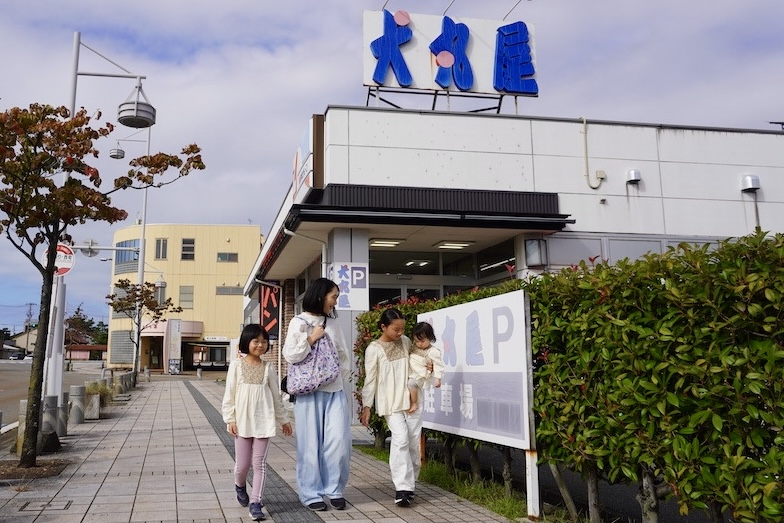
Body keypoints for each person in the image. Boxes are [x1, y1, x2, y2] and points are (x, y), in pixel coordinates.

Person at [282, 277, 352, 511]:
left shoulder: (333, 324)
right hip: (308, 393)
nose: (335, 301)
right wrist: (311, 338)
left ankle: (334, 489)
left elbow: (343, 356)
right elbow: (291, 355)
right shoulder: (298, 322)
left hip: (335, 391)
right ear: (321, 296)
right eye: (334, 296)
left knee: (339, 443)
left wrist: (342, 380)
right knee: (310, 444)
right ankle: (311, 492)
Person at [222, 324, 292, 522]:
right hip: (242, 423)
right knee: (242, 466)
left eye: (264, 341)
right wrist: (230, 418)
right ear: (246, 342)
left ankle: (255, 502)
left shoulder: (268, 368)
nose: (260, 345)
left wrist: (283, 420)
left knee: (259, 464)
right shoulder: (236, 366)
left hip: (263, 421)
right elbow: (230, 395)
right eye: (256, 341)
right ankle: (240, 485)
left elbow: (276, 397)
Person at [360, 308, 421, 507]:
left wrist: (427, 367)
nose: (400, 333)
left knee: (413, 443)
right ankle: (402, 488)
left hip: (412, 399)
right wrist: (367, 405)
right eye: (396, 329)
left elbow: (415, 363)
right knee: (401, 439)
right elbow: (371, 380)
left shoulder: (405, 342)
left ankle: (410, 486)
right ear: (383, 327)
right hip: (390, 402)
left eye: (402, 329)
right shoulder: (373, 349)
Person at [407, 321, 444, 413]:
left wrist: (438, 379)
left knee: (411, 383)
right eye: (416, 341)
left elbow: (438, 365)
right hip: (412, 372)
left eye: (422, 341)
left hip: (421, 375)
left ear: (430, 338)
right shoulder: (413, 347)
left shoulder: (433, 351)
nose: (419, 344)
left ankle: (414, 403)